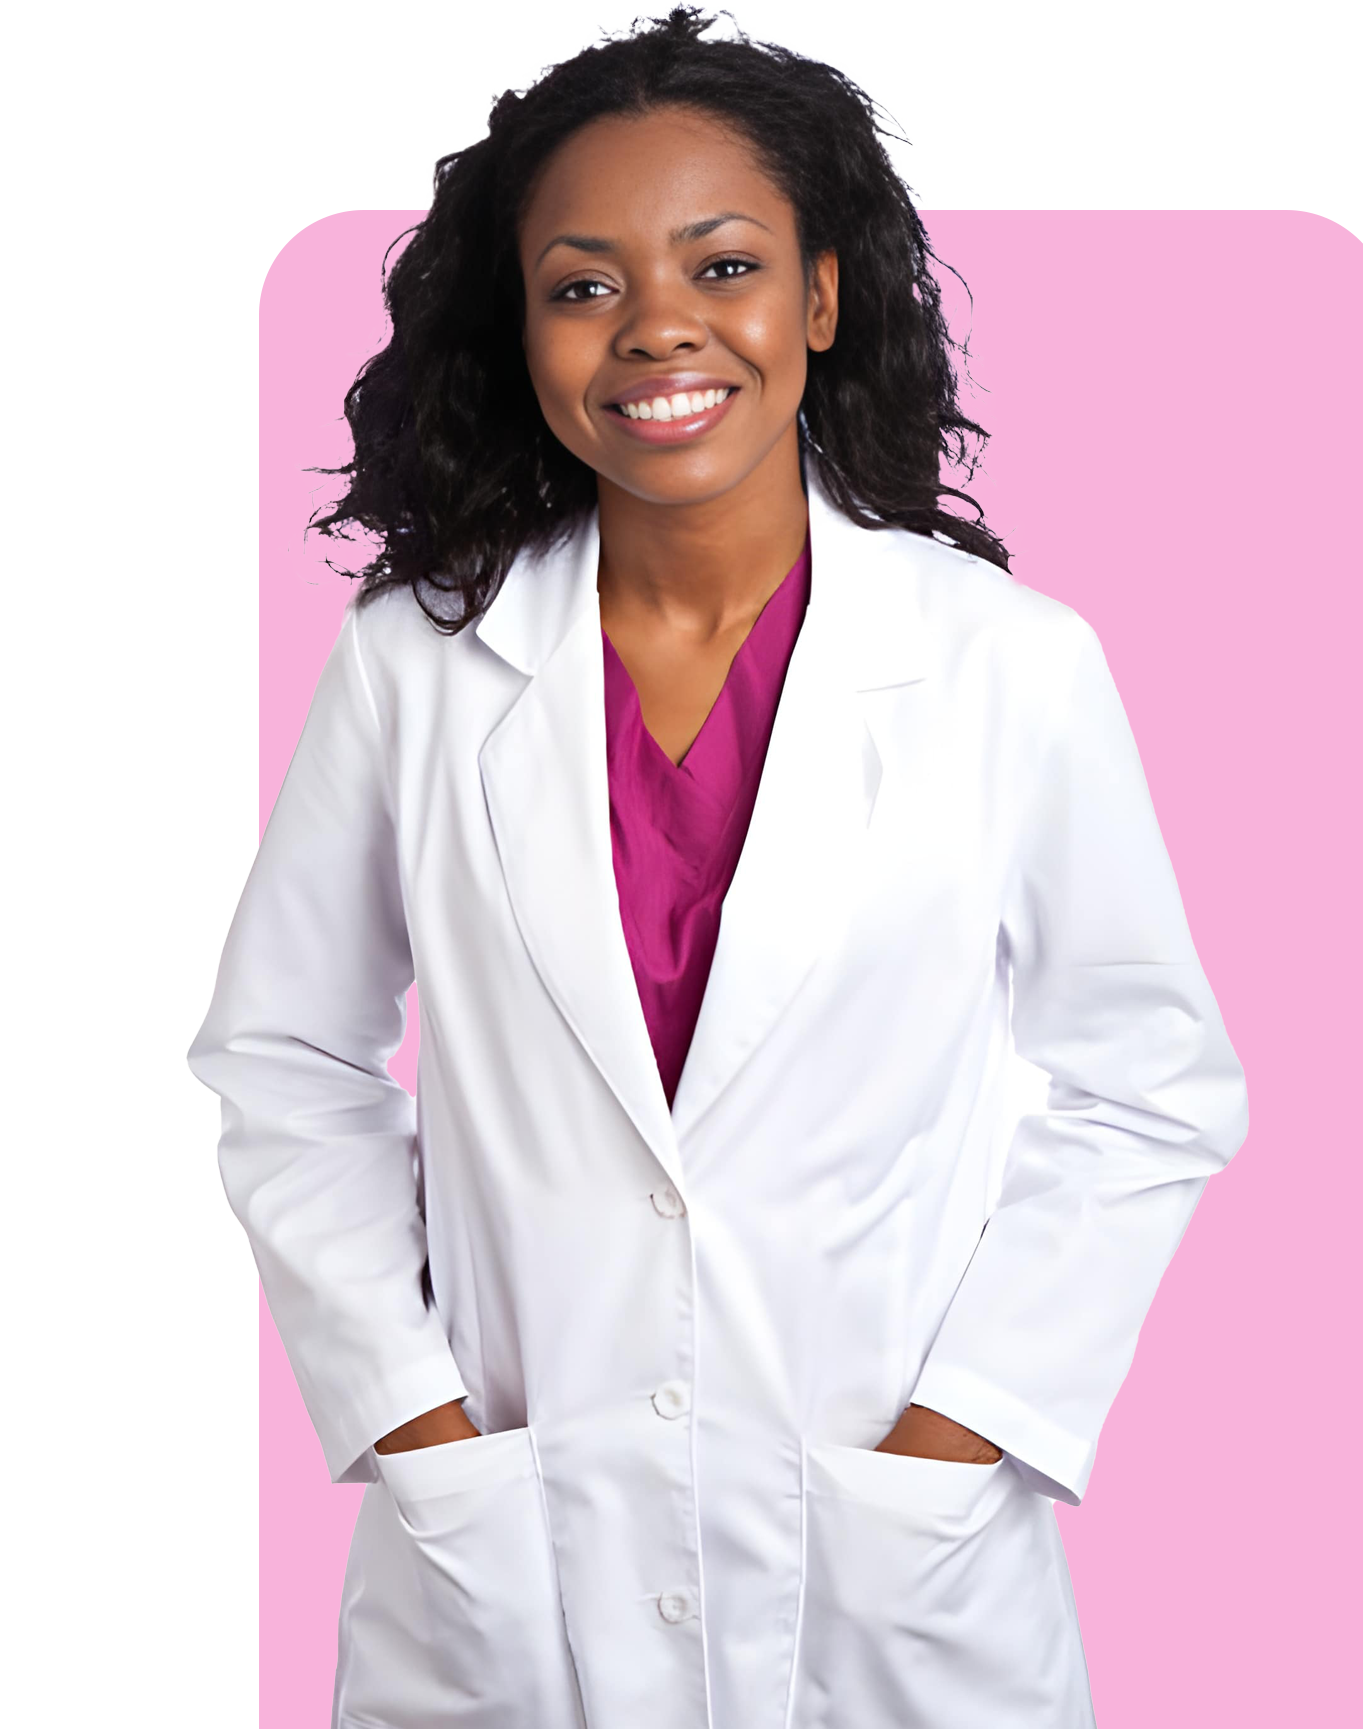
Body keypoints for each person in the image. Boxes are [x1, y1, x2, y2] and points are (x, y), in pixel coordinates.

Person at [186, 7, 1249, 1727]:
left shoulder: (1004, 665)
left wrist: (969, 1424)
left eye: (724, 264)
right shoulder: (416, 663)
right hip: (512, 1560)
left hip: (884, 1559)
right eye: (581, 284)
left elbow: (1150, 1085)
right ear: (521, 330)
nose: (656, 326)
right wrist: (412, 1414)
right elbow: (284, 1060)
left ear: (819, 299)